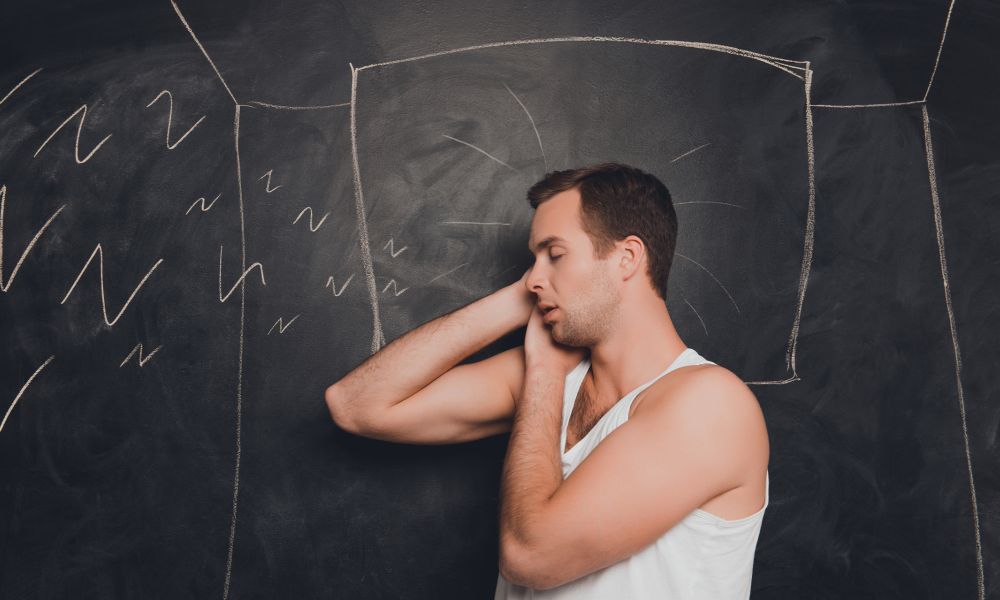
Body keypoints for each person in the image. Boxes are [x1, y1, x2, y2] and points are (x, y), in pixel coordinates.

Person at [325, 162, 770, 599]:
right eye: (533, 261)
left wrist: (543, 374)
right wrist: (519, 301)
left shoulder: (710, 405)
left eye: (555, 255)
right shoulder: (556, 371)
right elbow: (356, 405)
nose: (533, 278)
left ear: (627, 257)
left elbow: (530, 557)